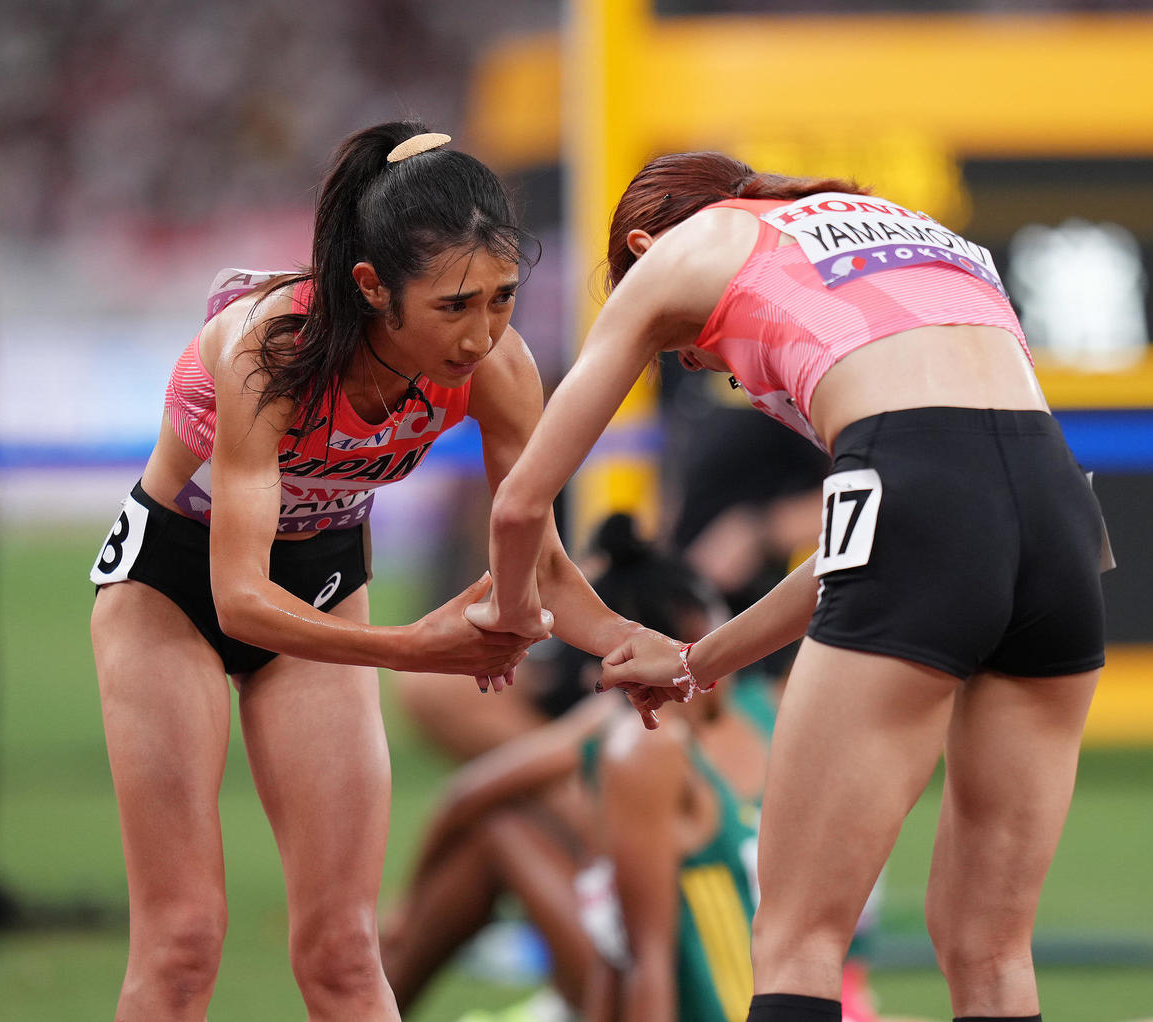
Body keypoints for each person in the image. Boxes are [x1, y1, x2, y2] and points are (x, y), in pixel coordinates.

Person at [468, 153, 1109, 1022]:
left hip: (924, 506)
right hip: (1062, 513)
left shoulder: (689, 249)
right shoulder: (923, 236)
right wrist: (697, 661)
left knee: (797, 939)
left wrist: (512, 617)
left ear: (646, 244)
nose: (700, 365)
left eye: (680, 351)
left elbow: (519, 505)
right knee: (988, 946)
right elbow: (889, 533)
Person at [87, 121, 647, 1022]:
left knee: (345, 950)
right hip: (175, 588)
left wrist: (635, 642)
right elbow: (237, 597)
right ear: (371, 288)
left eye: (503, 298)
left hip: (321, 577)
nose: (482, 335)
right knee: (183, 941)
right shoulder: (271, 349)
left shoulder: (500, 369)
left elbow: (539, 561)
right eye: (455, 306)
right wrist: (413, 647)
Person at [381, 514, 882, 1022]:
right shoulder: (775, 704)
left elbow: (644, 958)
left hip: (720, 997)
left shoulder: (641, 742)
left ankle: (376, 997)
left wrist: (404, 915)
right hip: (820, 993)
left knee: (504, 831)